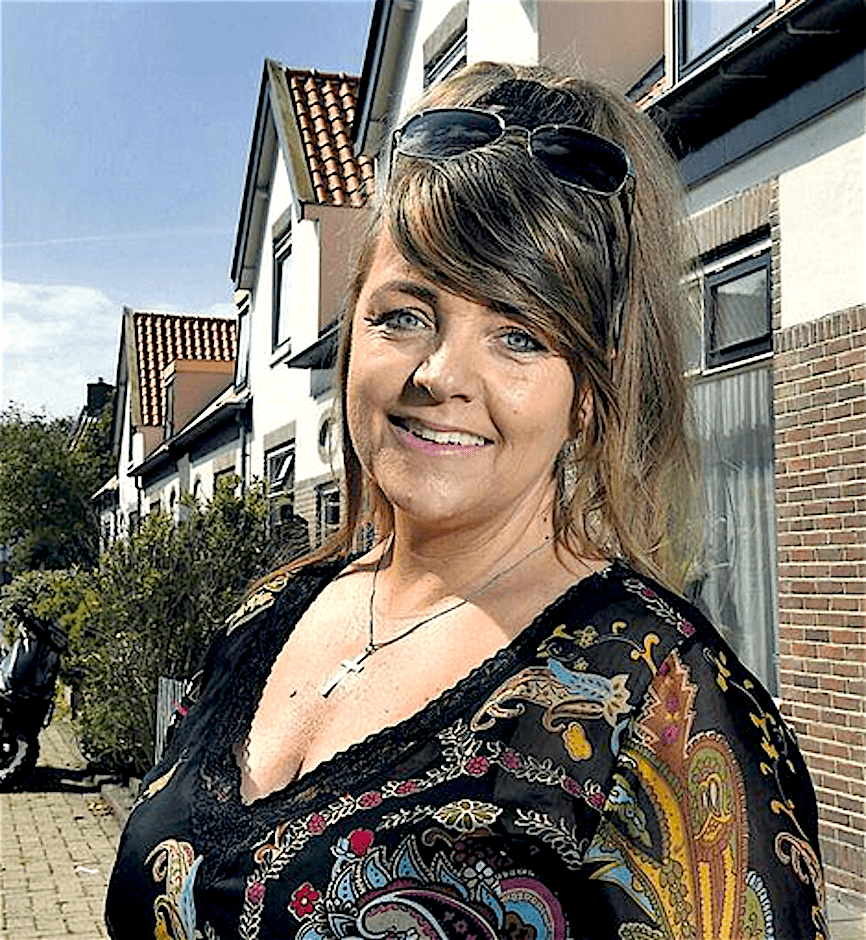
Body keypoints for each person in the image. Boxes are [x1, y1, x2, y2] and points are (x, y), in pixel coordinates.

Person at [106, 61, 826, 940]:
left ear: (589, 395)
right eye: (404, 315)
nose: (441, 375)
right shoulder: (267, 615)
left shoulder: (667, 710)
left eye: (518, 335)